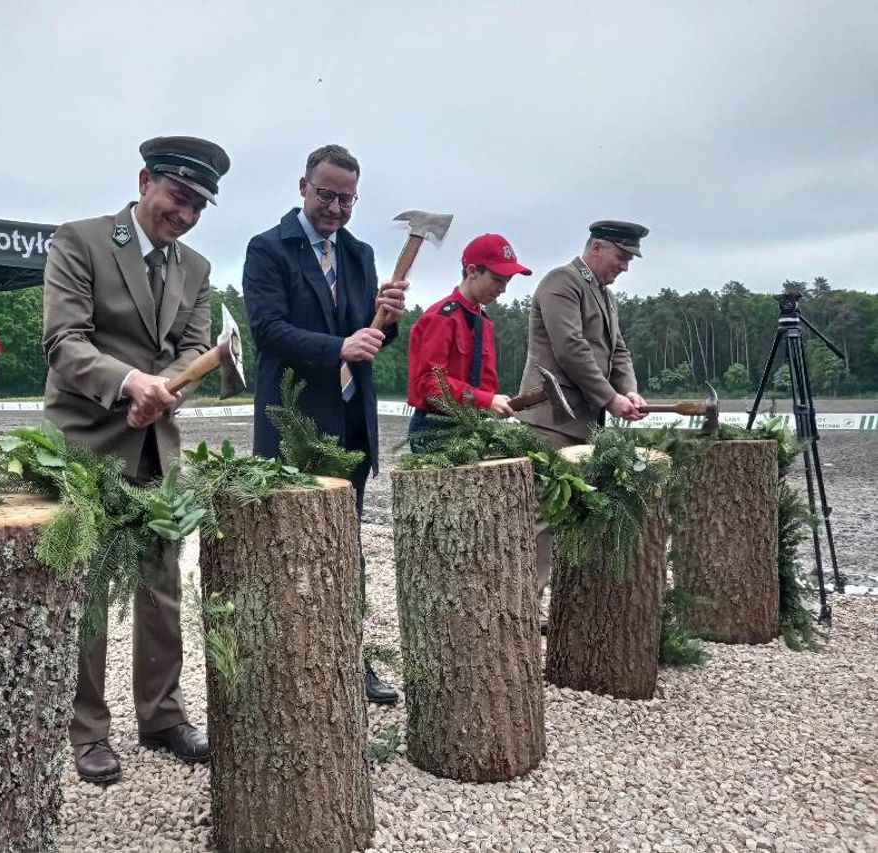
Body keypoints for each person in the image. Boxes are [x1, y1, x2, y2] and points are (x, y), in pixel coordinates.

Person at [43, 136, 229, 783]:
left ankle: (162, 714)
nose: (184, 214)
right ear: (145, 179)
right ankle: (88, 728)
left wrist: (167, 388)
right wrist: (129, 383)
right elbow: (64, 343)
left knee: (161, 586)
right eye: (178, 196)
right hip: (85, 445)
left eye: (198, 206)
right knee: (88, 590)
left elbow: (194, 348)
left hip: (156, 448)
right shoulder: (80, 241)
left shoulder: (197, 269)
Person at [242, 144, 407, 705]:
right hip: (294, 423)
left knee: (346, 551)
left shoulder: (359, 255)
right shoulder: (268, 249)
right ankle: (290, 669)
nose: (336, 208)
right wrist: (340, 343)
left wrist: (388, 319)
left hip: (351, 424)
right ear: (303, 187)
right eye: (327, 195)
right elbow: (267, 331)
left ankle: (347, 659)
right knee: (290, 551)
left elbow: (370, 339)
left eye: (347, 198)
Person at [516, 220, 649, 596]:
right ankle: (527, 603)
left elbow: (618, 351)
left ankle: (556, 603)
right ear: (597, 248)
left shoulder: (606, 295)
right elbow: (571, 348)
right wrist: (610, 398)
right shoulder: (562, 282)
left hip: (582, 423)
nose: (625, 266)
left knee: (569, 515)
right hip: (551, 421)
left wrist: (631, 392)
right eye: (621, 256)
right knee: (542, 515)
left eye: (629, 259)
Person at [406, 233, 532, 450]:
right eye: (497, 279)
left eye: (507, 281)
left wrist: (493, 402)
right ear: (472, 271)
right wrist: (485, 400)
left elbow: (485, 383)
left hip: (472, 425)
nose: (503, 289)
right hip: (435, 428)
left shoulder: (483, 321)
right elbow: (429, 384)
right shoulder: (441, 318)